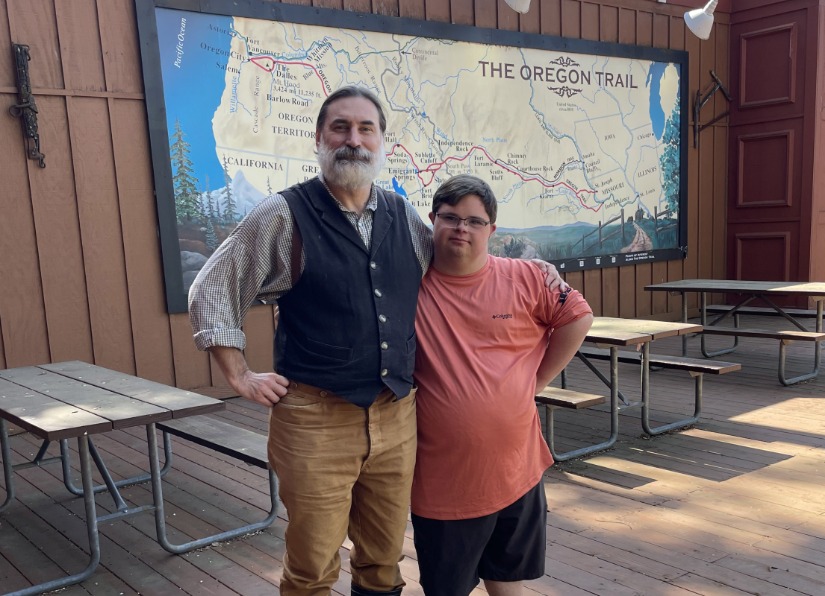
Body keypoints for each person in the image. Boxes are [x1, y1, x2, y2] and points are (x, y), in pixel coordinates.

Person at [189, 86, 565, 596]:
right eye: (340, 127)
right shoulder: (284, 214)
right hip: (315, 417)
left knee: (383, 561)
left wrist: (530, 272)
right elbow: (213, 285)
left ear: (380, 141)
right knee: (313, 567)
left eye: (366, 129)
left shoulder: (402, 215)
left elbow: (460, 256)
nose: (353, 139)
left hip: (396, 415)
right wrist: (238, 374)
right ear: (319, 138)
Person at [411, 175, 593, 596]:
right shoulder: (408, 287)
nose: (462, 228)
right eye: (451, 217)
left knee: (508, 580)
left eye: (475, 221)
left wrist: (538, 381)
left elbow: (578, 317)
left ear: (492, 230)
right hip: (444, 485)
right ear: (432, 220)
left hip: (517, 470)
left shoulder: (528, 277)